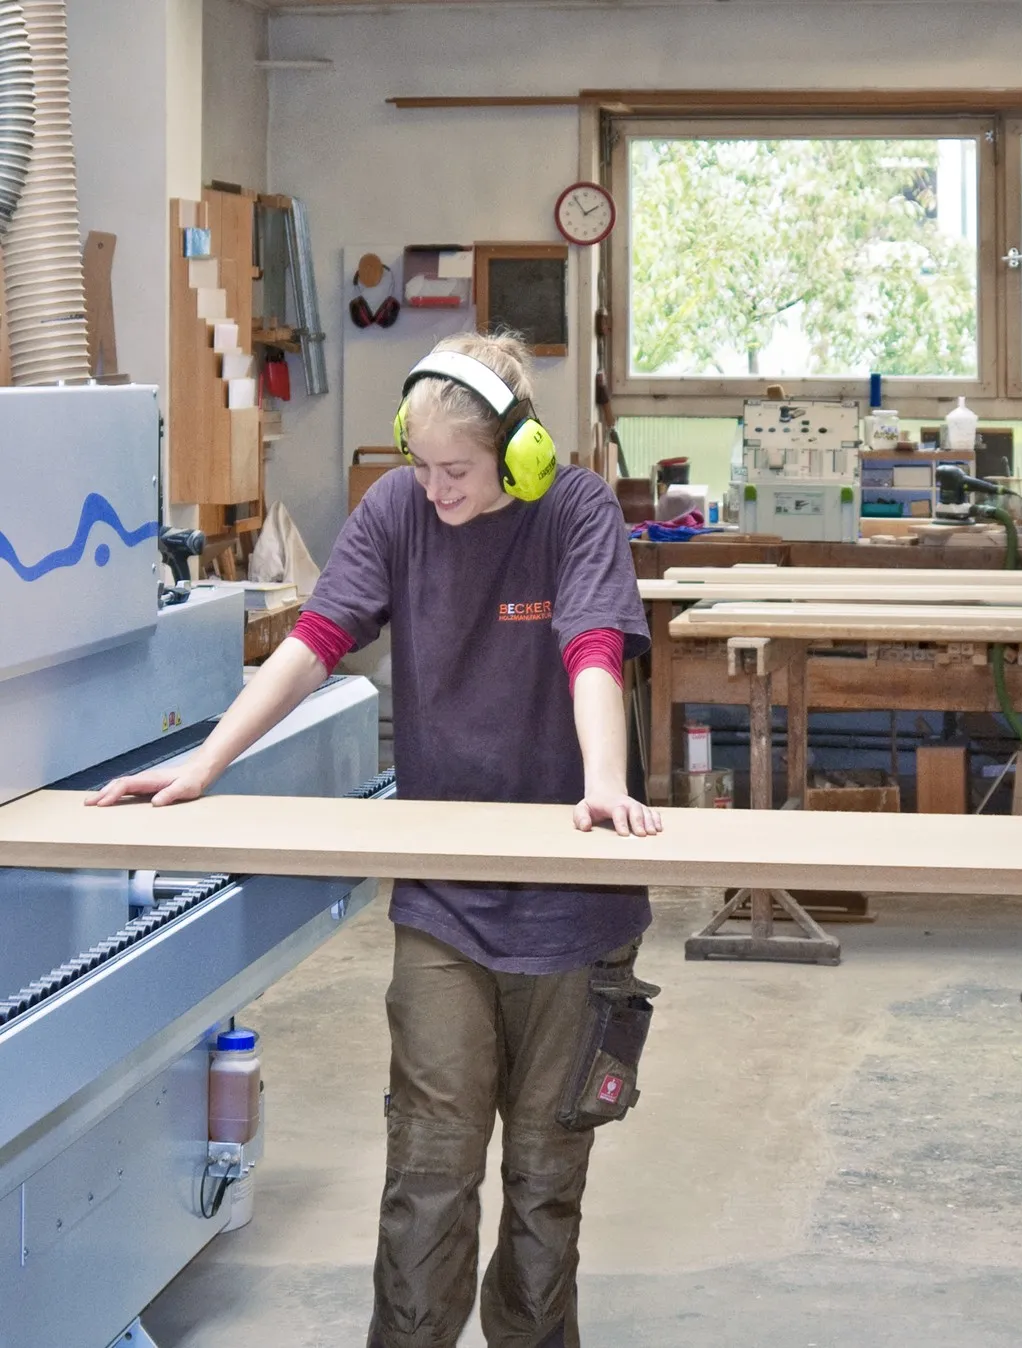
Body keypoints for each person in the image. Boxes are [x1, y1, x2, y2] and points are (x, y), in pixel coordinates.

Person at [88, 332, 662, 1348]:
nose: (436, 491)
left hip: (575, 909)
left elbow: (591, 649)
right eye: (421, 464)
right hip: (445, 902)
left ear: (520, 453)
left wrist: (604, 784)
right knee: (428, 1177)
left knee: (545, 1186)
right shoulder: (398, 509)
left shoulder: (573, 510)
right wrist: (204, 764)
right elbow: (315, 640)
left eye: (459, 470)